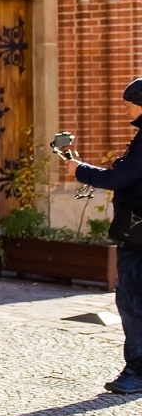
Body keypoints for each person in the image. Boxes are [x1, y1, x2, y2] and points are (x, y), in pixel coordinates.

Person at [67, 78, 142, 394]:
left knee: (132, 302)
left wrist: (80, 169)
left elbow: (120, 178)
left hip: (137, 237)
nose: (126, 109)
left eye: (129, 103)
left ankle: (137, 371)